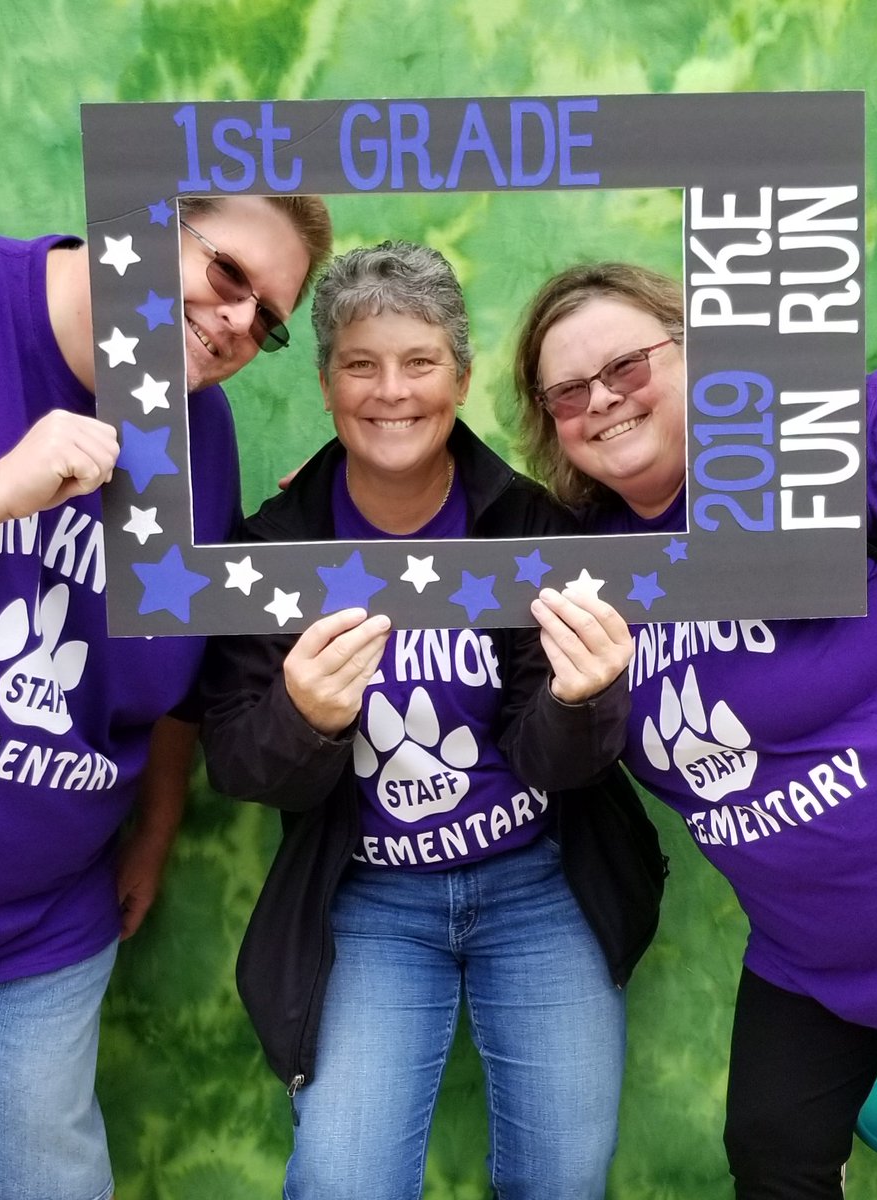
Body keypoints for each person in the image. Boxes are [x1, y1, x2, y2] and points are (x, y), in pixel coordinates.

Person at [0, 192, 332, 1200]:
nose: (240, 322)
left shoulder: (200, 429)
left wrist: (153, 827)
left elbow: (171, 670)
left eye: (269, 319)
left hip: (36, 930)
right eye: (228, 274)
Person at [510, 261, 877, 1200]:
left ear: (699, 354)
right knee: (772, 1154)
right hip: (815, 951)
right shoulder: (580, 565)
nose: (600, 400)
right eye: (566, 392)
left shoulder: (828, 440)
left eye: (627, 366)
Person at [199, 241, 666, 1200]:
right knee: (342, 1179)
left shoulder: (530, 525)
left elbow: (560, 760)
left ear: (458, 377)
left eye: (418, 363)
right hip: (371, 902)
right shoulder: (271, 549)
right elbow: (240, 764)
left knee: (563, 1177)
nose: (390, 391)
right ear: (326, 384)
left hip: (539, 884)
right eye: (360, 365)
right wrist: (302, 718)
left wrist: (582, 701)